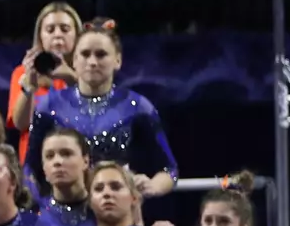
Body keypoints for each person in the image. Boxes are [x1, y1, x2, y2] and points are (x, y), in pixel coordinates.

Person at [28, 21, 178, 199]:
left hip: (117, 205)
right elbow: (29, 168)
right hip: (62, 208)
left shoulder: (137, 106)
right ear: (74, 60)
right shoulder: (49, 106)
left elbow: (169, 169)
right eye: (85, 54)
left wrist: (152, 186)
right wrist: (38, 203)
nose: (92, 62)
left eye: (101, 55)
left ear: (117, 60)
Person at [8, 1, 81, 162]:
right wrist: (29, 86)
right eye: (50, 30)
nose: (57, 34)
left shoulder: (85, 73)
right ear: (40, 36)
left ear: (77, 35)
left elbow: (94, 114)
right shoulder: (22, 73)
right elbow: (21, 124)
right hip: (34, 161)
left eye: (65, 29)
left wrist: (71, 78)